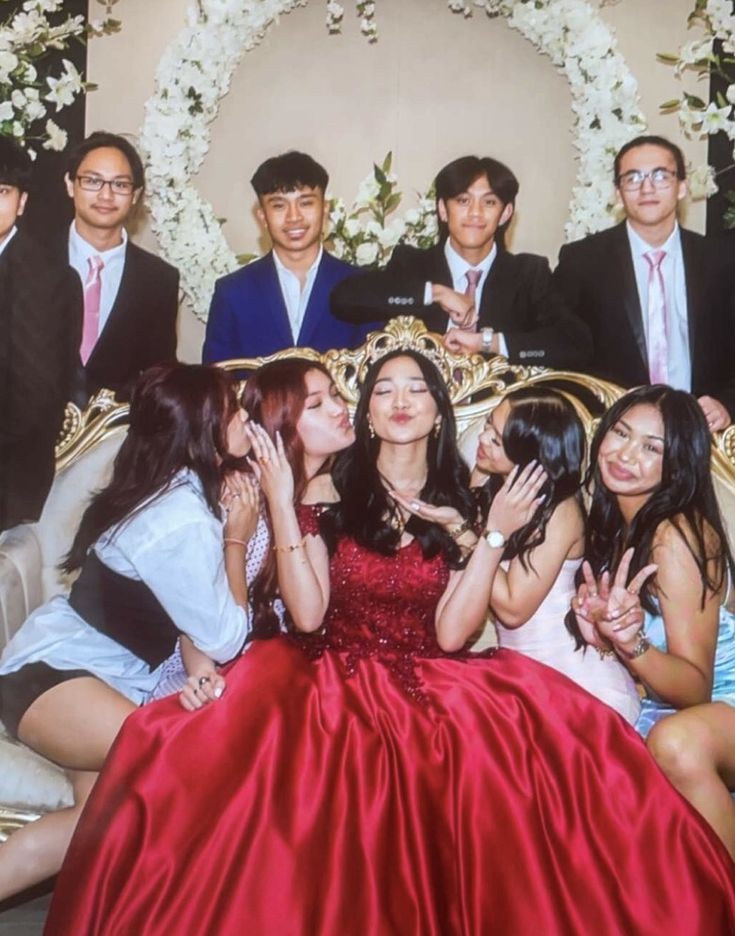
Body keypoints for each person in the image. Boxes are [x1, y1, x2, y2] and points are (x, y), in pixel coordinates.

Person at [46, 351, 735, 935]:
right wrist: (286, 501)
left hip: (438, 677)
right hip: (322, 673)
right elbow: (309, 616)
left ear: (440, 410)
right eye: (382, 389)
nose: (400, 400)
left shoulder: (471, 497)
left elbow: (452, 632)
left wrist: (488, 533)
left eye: (416, 389)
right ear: (365, 411)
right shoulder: (325, 488)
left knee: (502, 773)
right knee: (211, 757)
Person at [0, 364, 254, 900]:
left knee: (93, 830)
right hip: (55, 678)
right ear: (202, 430)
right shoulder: (176, 518)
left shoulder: (178, 487)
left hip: (91, 679)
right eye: (233, 408)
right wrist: (238, 539)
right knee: (186, 762)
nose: (245, 416)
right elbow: (224, 637)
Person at [571, 385, 735, 859]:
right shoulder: (612, 521)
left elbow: (694, 689)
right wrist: (600, 640)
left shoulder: (675, 535)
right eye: (620, 433)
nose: (625, 454)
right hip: (662, 704)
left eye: (650, 448)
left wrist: (630, 645)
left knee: (675, 742)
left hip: (719, 701)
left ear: (677, 463)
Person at [154, 357, 356, 704]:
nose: (339, 409)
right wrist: (202, 673)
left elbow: (310, 615)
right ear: (283, 424)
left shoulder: (341, 488)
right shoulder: (242, 497)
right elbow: (198, 610)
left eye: (337, 395)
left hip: (304, 667)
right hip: (228, 667)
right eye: (318, 404)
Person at [465, 387, 639, 723]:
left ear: (530, 456)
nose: (483, 439)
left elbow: (514, 608)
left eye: (497, 439)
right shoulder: (487, 484)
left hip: (578, 688)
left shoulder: (561, 511)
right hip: (521, 680)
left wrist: (467, 531)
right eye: (487, 425)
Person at [330, 155, 591, 369]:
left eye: (489, 202)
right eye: (463, 201)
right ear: (443, 210)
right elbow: (344, 299)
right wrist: (436, 293)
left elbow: (575, 344)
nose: (475, 213)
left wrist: (488, 343)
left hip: (497, 417)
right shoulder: (411, 264)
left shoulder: (528, 274)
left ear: (505, 213)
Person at [554, 135, 735, 432]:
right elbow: (563, 354)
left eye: (661, 176)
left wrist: (727, 404)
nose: (647, 188)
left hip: (700, 431)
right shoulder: (582, 261)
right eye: (633, 178)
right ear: (617, 192)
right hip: (613, 432)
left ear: (682, 187)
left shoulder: (721, 261)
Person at [202, 151, 375, 362]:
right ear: (263, 217)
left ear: (325, 209)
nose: (294, 217)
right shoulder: (233, 293)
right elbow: (217, 383)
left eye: (306, 203)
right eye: (279, 206)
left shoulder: (362, 289)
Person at [63, 131, 179, 406]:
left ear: (135, 195)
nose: (106, 194)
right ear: (70, 184)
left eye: (120, 185)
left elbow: (158, 375)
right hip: (28, 439)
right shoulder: (32, 259)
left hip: (119, 437)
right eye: (92, 181)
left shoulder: (159, 279)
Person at [0, 136, 79, 531]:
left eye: (1, 191)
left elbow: (36, 393)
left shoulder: (48, 277)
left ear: (22, 201)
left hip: (11, 481)